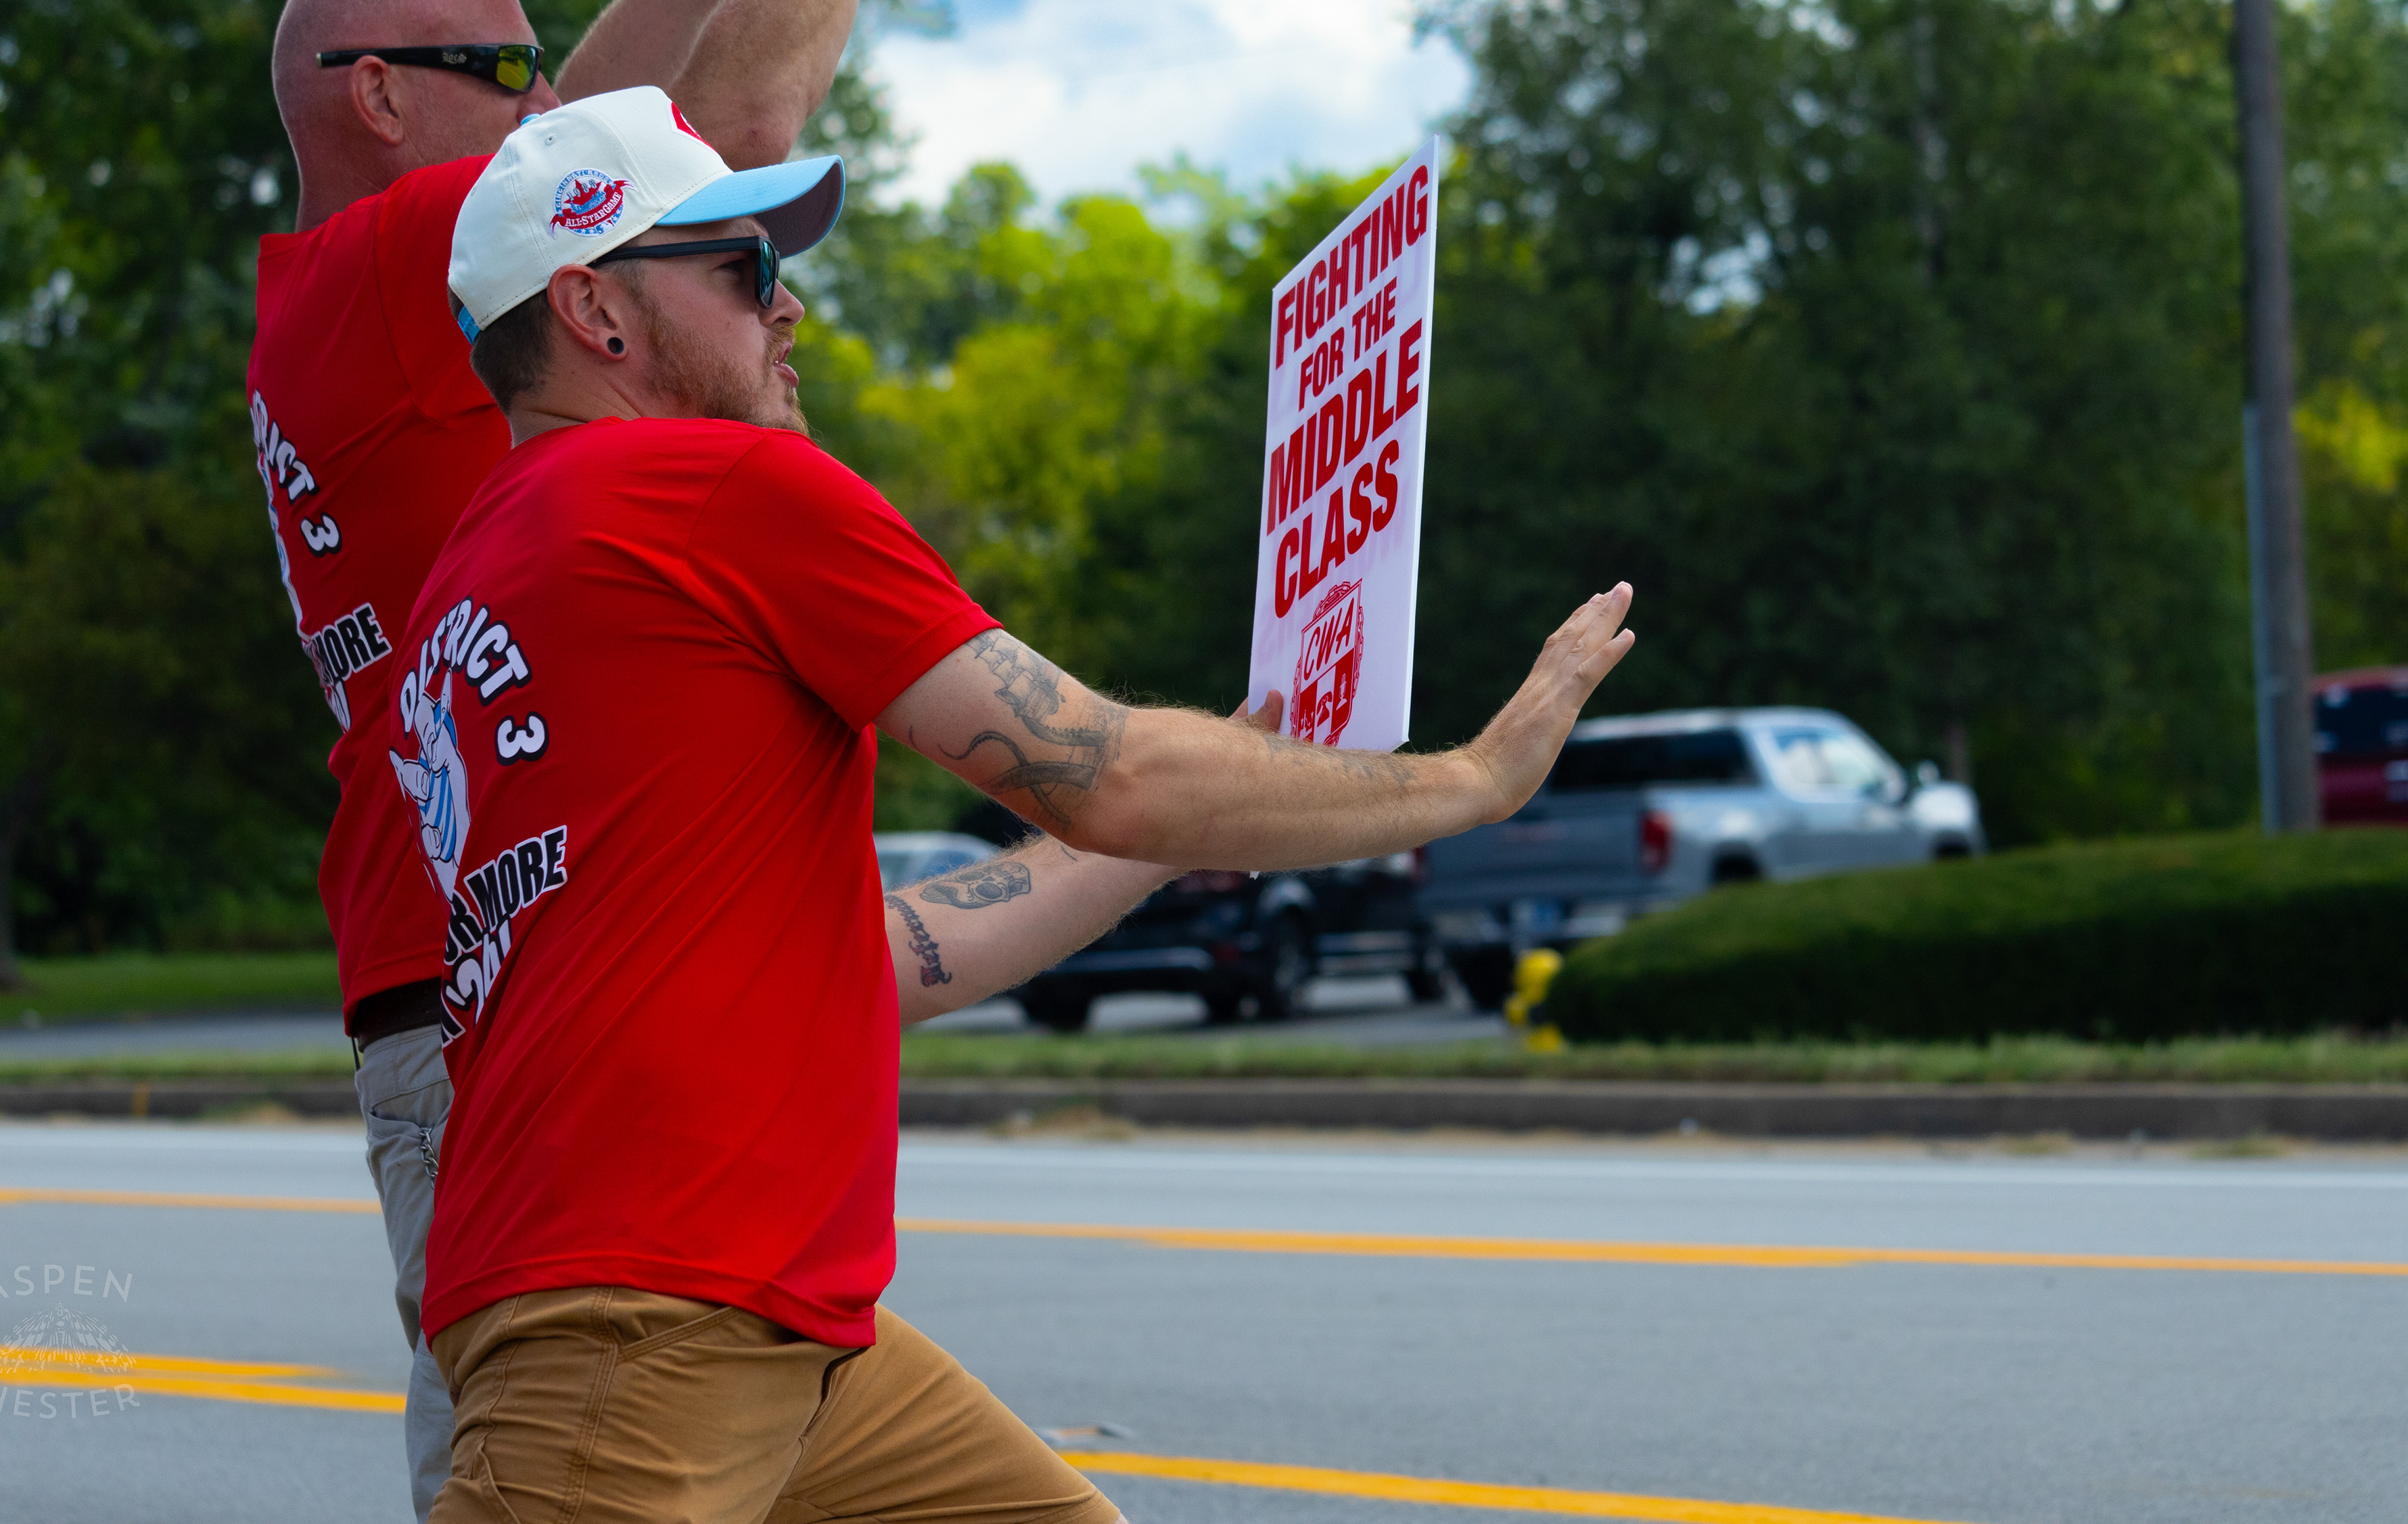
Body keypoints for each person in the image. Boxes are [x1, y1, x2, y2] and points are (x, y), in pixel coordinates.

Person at [389, 85, 1637, 1524]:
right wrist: (1470, 780)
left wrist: (1164, 846)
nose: (789, 311)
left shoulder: (487, 570)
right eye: (744, 270)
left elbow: (873, 946)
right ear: (596, 311)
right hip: (641, 1312)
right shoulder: (713, 487)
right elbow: (1109, 770)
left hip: (750, 1315)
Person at [244, 0, 920, 1515]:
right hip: (492, 994)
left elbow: (607, 124)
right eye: (501, 70)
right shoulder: (396, 269)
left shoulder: (370, 287)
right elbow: (701, 130)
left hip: (504, 964)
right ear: (379, 95)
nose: (544, 103)